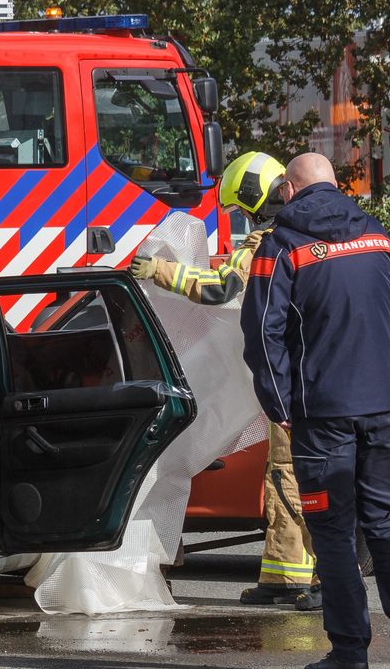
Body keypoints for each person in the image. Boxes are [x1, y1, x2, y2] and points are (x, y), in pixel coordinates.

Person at [241, 151, 390, 669]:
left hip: (321, 412)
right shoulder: (377, 235)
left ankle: (351, 652)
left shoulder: (281, 247)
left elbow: (262, 335)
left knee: (330, 530)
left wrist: (278, 405)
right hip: (381, 407)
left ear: (288, 188)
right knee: (385, 523)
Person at [129, 152, 319, 610]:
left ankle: (300, 580)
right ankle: (284, 573)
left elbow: (221, 287)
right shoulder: (314, 235)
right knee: (291, 473)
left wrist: (161, 272)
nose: (243, 218)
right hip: (311, 374)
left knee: (292, 474)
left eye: (242, 208)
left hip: (292, 379)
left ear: (255, 197)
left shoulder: (270, 241)